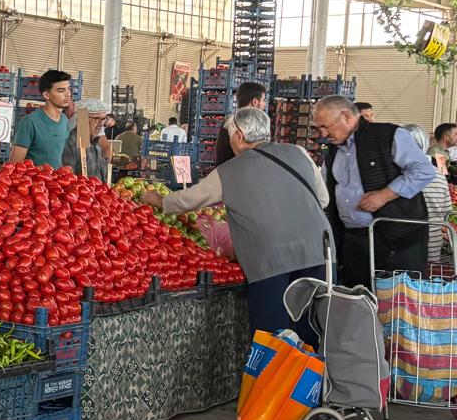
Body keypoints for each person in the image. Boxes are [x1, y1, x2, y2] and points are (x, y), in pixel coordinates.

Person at [141, 108, 329, 345]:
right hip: (318, 254)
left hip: (271, 262)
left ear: (239, 136)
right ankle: (310, 380)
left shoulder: (231, 170)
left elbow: (191, 199)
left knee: (273, 338)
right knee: (311, 329)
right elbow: (323, 200)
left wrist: (160, 201)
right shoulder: (299, 153)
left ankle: (274, 381)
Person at [312, 95, 434, 287]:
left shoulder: (388, 135)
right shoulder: (334, 150)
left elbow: (423, 170)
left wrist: (385, 194)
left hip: (396, 240)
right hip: (355, 241)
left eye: (325, 127)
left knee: (395, 304)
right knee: (358, 301)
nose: (322, 134)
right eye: (318, 128)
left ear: (346, 116)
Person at [400, 124, 453, 268]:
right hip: (432, 246)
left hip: (401, 246)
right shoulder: (437, 173)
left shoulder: (395, 174)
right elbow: (447, 212)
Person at [9, 69, 74, 169]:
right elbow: (14, 166)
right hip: (33, 182)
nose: (68, 94)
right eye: (61, 90)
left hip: (56, 183)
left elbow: (57, 157)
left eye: (69, 89)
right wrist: (39, 170)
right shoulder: (29, 122)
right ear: (46, 95)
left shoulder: (64, 120)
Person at [215, 81, 266, 166]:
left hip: (224, 173)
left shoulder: (230, 120)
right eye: (263, 100)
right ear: (255, 102)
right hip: (236, 175)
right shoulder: (246, 124)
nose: (264, 104)